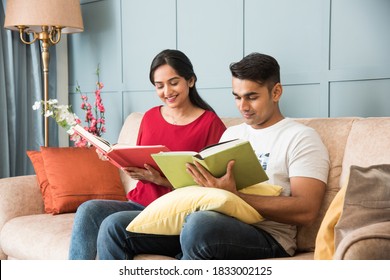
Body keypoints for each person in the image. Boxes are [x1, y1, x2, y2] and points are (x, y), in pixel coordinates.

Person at [97, 52, 330, 260]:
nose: (243, 106)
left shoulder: (301, 138)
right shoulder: (233, 133)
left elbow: (306, 210)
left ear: (276, 92)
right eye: (237, 97)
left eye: (252, 96)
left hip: (267, 235)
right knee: (114, 226)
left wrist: (234, 195)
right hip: (213, 222)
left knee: (199, 225)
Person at [68, 49, 226, 259]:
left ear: (190, 80)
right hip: (139, 204)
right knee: (89, 210)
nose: (167, 91)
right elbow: (141, 160)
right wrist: (115, 156)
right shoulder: (150, 117)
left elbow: (214, 187)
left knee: (112, 225)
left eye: (173, 82)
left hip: (174, 214)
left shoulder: (210, 124)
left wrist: (160, 179)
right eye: (159, 86)